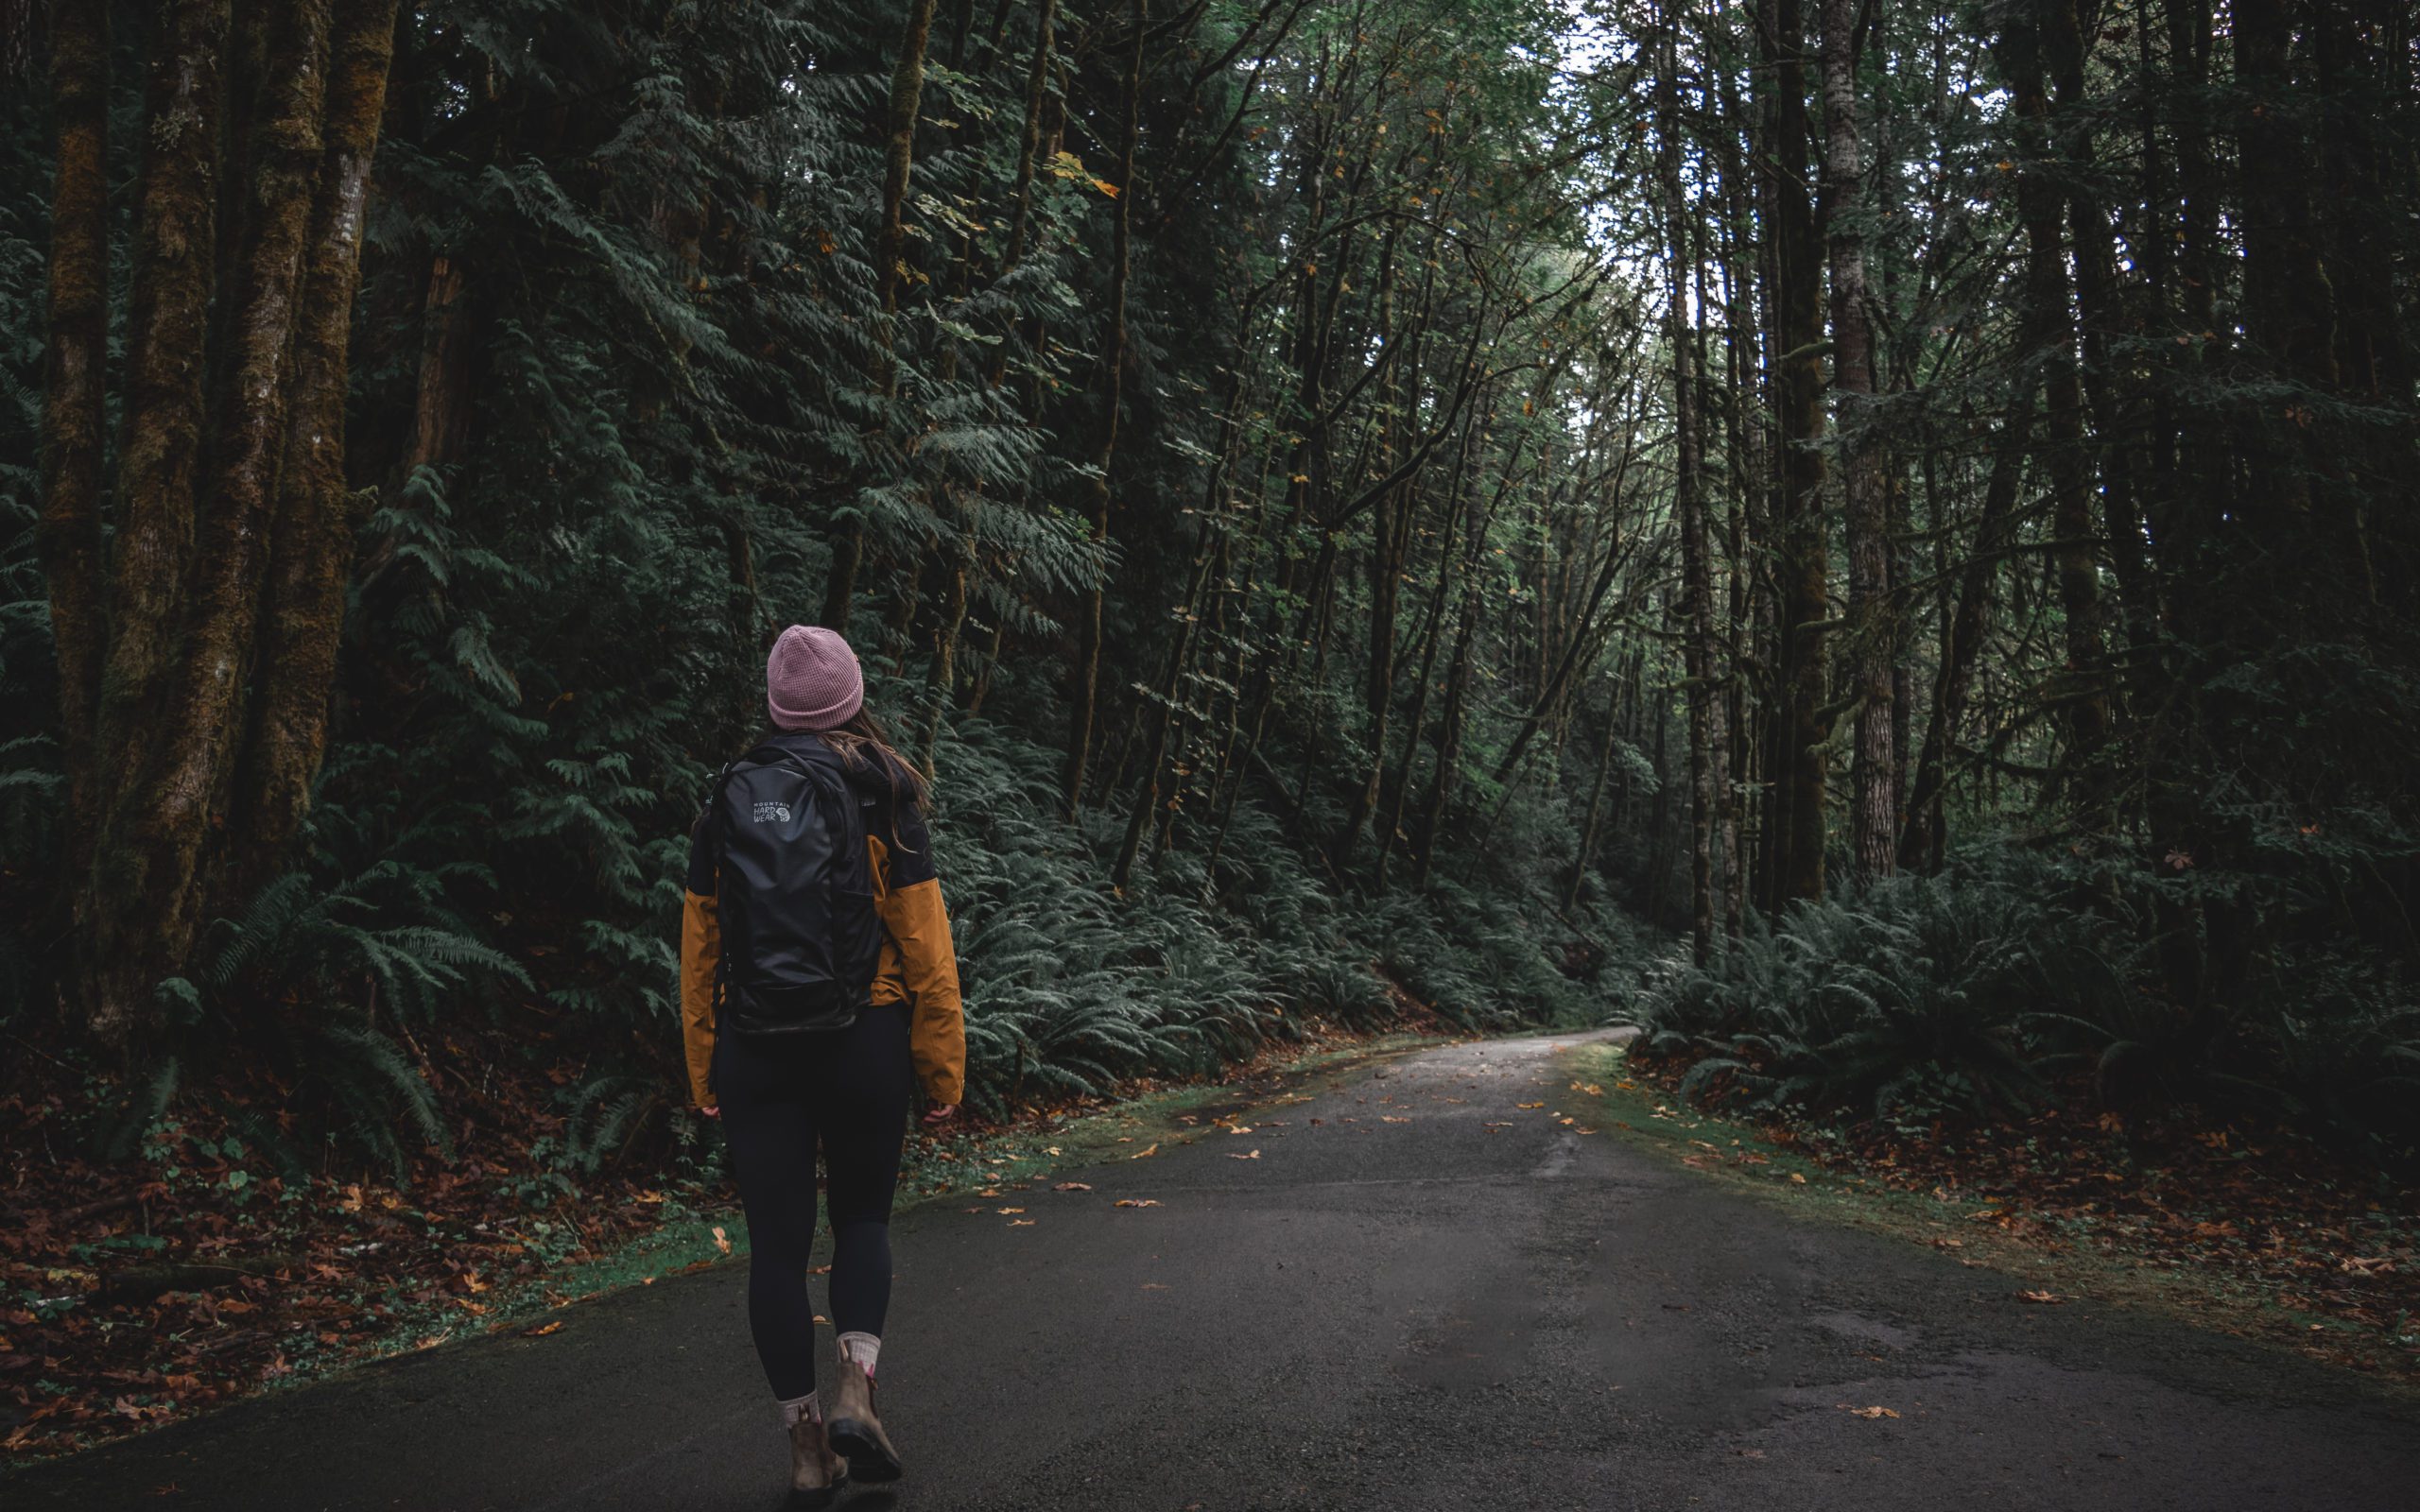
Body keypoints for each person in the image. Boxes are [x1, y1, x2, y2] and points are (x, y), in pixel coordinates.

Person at [679, 625, 964, 1507]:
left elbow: (699, 946)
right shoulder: (884, 794)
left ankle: (806, 1446)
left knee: (775, 1252)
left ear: (775, 705)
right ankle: (855, 1390)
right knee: (863, 1222)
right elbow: (926, 946)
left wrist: (704, 1068)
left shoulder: (726, 798)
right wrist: (941, 1064)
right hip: (864, 1037)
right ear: (851, 699)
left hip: (755, 1048)